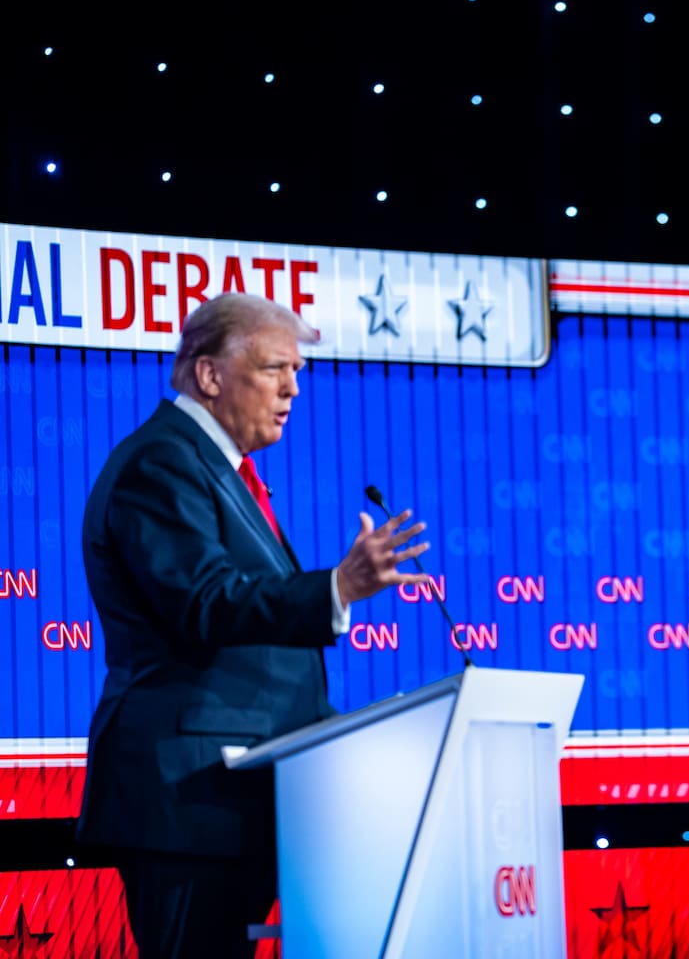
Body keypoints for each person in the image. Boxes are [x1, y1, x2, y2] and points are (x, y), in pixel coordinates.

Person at [76, 293, 432, 957]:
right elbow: (205, 603)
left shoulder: (220, 470)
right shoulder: (160, 463)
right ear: (210, 375)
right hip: (190, 799)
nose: (293, 387)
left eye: (297, 370)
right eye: (274, 368)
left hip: (240, 797)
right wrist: (336, 586)